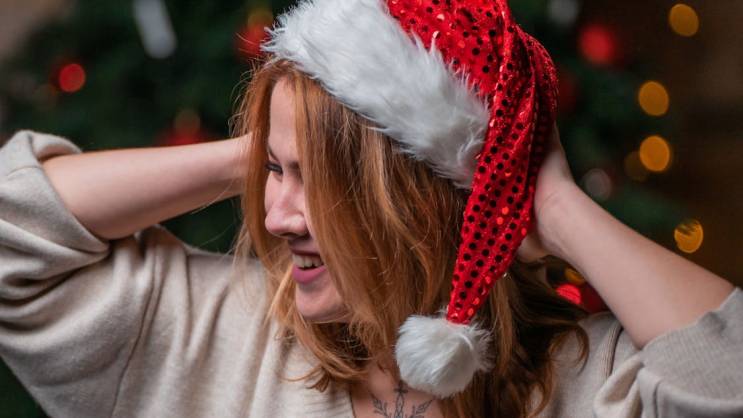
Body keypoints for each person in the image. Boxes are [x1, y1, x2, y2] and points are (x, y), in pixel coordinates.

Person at [1, 0, 741, 417]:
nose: (277, 217)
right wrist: (259, 154)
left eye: (320, 187)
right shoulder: (223, 332)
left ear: (420, 203)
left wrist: (550, 202)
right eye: (274, 175)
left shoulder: (584, 380)